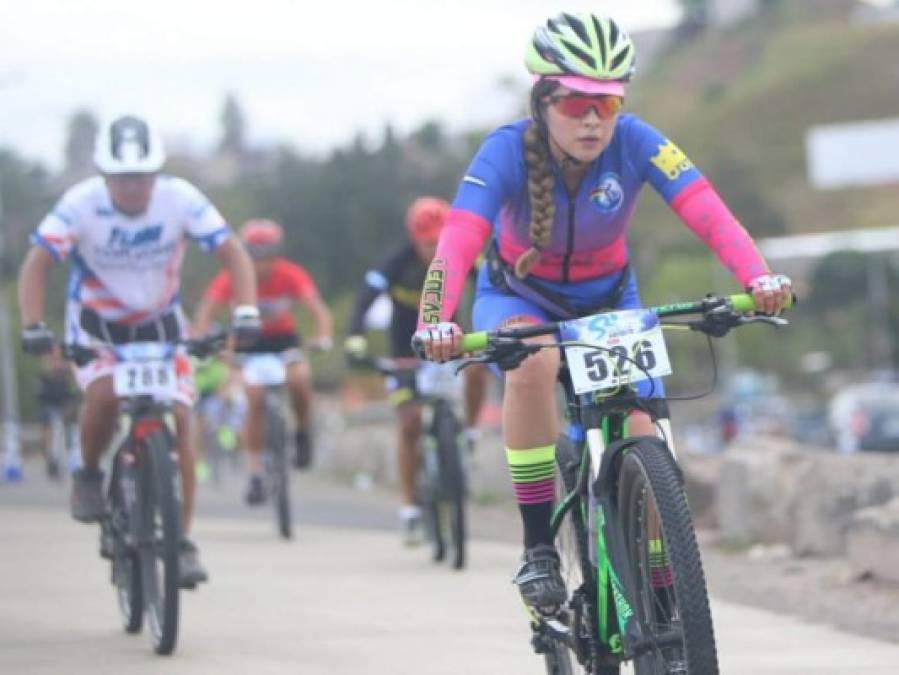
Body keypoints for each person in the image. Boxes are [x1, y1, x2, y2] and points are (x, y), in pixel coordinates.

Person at [413, 12, 792, 611]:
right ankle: (539, 548)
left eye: (607, 105)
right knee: (532, 365)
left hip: (611, 303)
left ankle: (668, 599)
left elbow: (708, 211)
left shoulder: (639, 141)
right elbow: (457, 238)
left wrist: (758, 278)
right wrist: (433, 316)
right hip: (520, 298)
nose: (592, 119)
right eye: (576, 103)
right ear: (543, 99)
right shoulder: (504, 150)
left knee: (644, 435)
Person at [18, 113, 260, 587]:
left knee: (182, 422)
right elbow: (37, 263)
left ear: (157, 173)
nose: (132, 188)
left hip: (161, 325)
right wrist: (32, 325)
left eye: (141, 177)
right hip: (98, 326)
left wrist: (247, 311)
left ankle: (182, 539)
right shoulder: (80, 204)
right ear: (104, 175)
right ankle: (88, 473)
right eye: (122, 178)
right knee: (104, 397)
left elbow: (233, 252)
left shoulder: (180, 199)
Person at [344, 197, 488, 543]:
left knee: (479, 368)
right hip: (405, 350)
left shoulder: (458, 254)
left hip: (448, 342)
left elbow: (491, 285)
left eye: (440, 241)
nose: (434, 249)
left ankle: (468, 431)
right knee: (409, 423)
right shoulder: (397, 262)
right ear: (414, 239)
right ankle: (410, 508)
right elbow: (364, 299)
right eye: (428, 243)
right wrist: (355, 339)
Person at [193, 219, 333, 504]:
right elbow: (207, 310)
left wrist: (323, 336)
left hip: (283, 340)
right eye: (255, 257)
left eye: (267, 257)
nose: (261, 265)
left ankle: (303, 432)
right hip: (248, 344)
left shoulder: (291, 274)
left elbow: (316, 308)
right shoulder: (233, 277)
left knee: (300, 380)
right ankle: (255, 471)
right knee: (253, 398)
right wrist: (204, 341)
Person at [36, 345, 80, 479]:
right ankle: (51, 459)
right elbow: (45, 376)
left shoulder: (68, 364)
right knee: (50, 431)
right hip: (49, 401)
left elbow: (74, 382)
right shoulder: (47, 365)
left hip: (64, 401)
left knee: (69, 431)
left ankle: (70, 458)